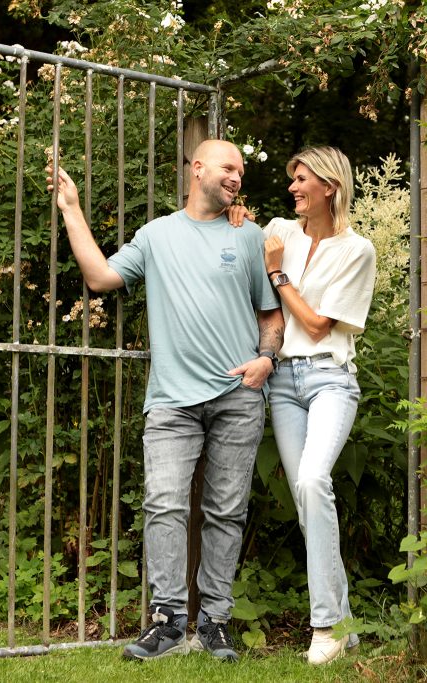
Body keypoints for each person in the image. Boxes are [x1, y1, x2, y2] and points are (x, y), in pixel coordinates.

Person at [46, 139, 284, 662]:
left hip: (237, 395)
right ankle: (169, 621)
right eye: (228, 167)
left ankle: (216, 621)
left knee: (225, 510)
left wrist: (266, 359)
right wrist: (72, 210)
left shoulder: (248, 237)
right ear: (197, 168)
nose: (237, 177)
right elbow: (100, 277)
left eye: (241, 171)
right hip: (172, 401)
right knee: (164, 506)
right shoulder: (155, 236)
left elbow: (270, 315)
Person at [230, 146, 376, 664]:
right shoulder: (280, 232)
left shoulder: (358, 250)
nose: (292, 187)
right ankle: (346, 626)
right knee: (306, 497)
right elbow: (245, 247)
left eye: (302, 179)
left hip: (330, 380)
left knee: (314, 481)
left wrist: (278, 275)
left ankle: (325, 626)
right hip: (284, 384)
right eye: (292, 178)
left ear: (330, 187)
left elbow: (316, 325)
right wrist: (239, 222)